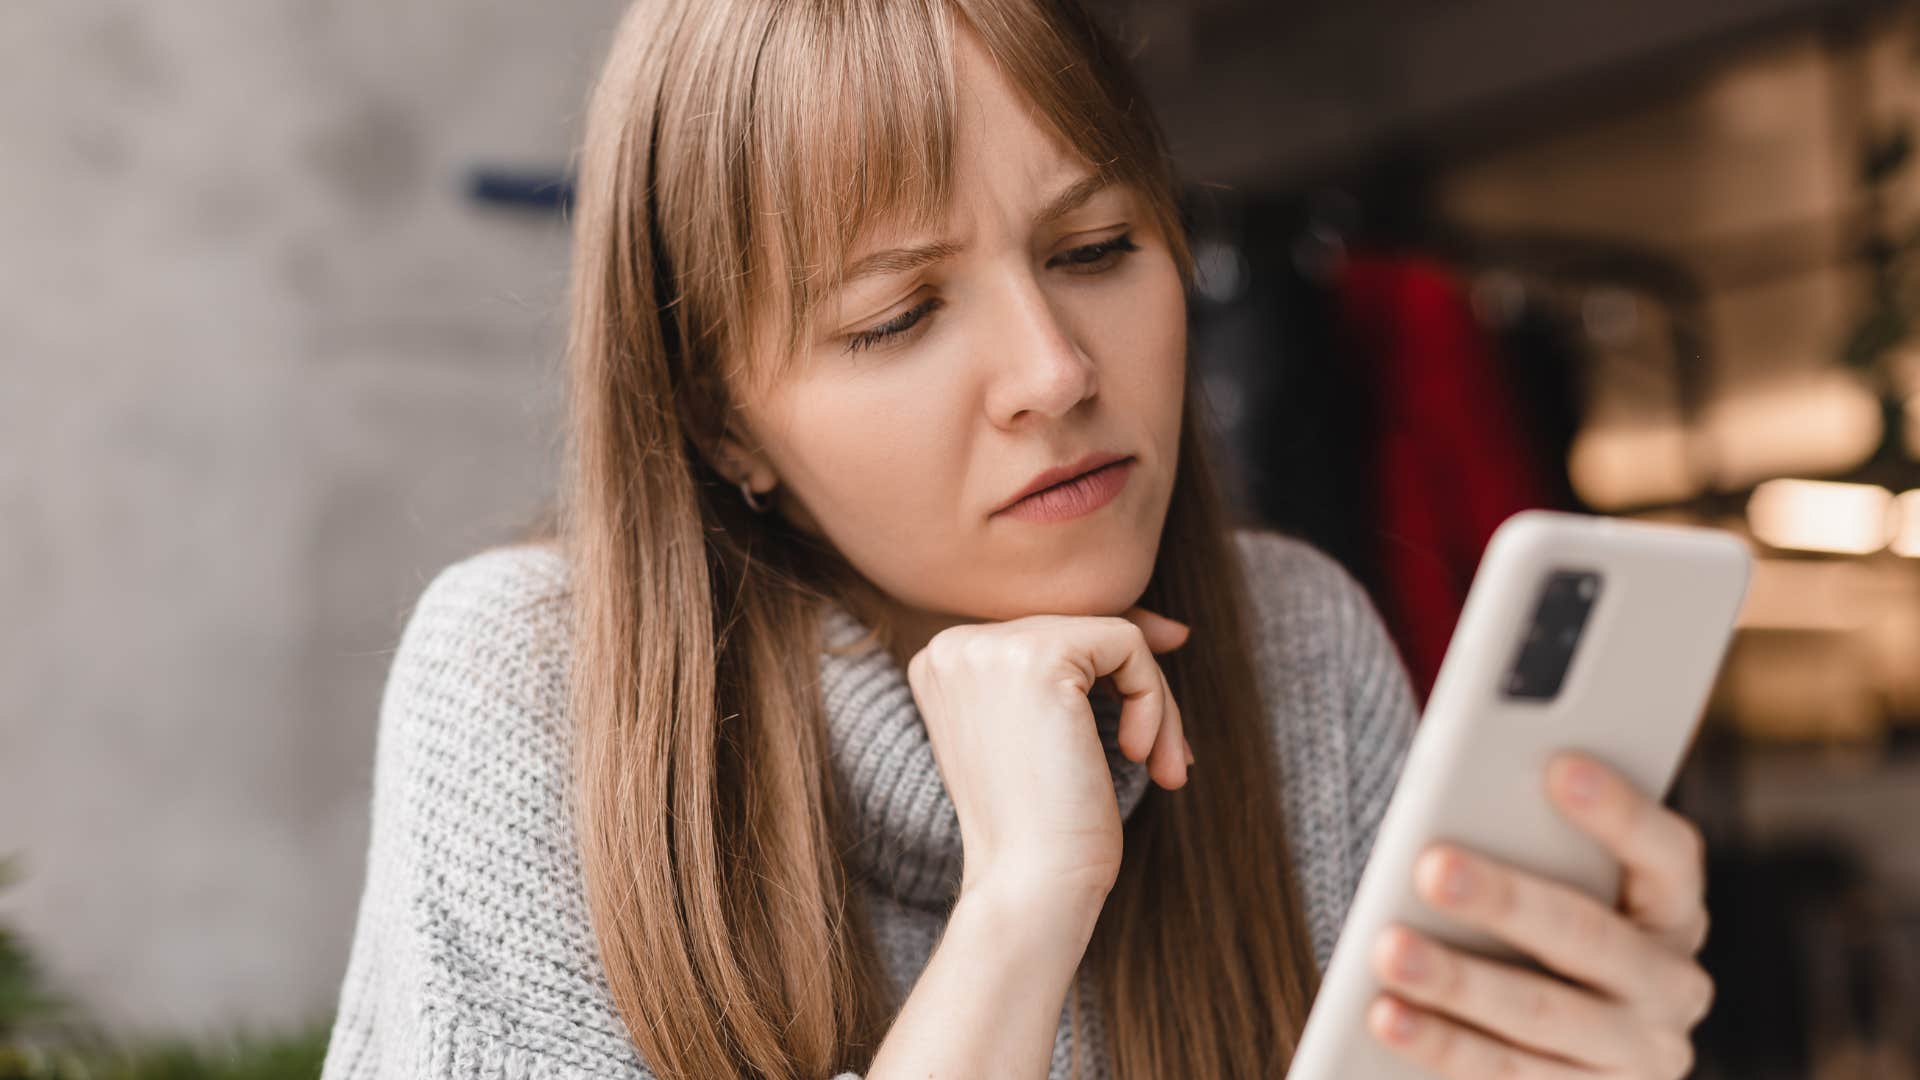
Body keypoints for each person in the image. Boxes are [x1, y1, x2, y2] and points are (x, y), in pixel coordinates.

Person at [318, 1, 1715, 1077]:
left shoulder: (1296, 641)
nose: (1054, 369)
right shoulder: (539, 683)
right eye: (897, 317)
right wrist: (1023, 907)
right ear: (719, 422)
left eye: (1098, 247)